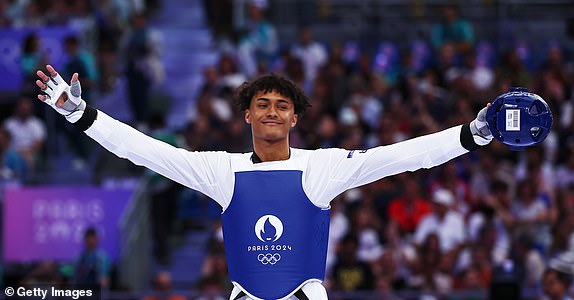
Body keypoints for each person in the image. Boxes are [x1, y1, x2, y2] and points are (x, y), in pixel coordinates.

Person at [35, 64, 493, 300]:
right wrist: (82, 115)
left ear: (294, 116)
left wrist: (472, 135)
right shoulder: (222, 170)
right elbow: (147, 152)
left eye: (281, 104)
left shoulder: (322, 168)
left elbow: (404, 157)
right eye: (262, 103)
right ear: (247, 114)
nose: (271, 110)